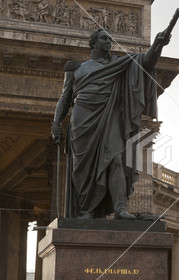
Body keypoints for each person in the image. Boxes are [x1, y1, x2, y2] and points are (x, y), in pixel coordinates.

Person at [51, 28, 169, 219]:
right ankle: (86, 211)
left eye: (110, 39)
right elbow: (65, 99)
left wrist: (157, 45)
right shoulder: (76, 69)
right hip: (81, 120)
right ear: (93, 43)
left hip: (109, 116)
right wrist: (56, 123)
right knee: (83, 168)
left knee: (115, 159)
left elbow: (145, 63)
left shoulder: (119, 65)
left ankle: (120, 208)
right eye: (104, 39)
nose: (108, 42)